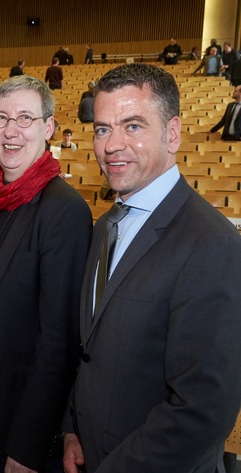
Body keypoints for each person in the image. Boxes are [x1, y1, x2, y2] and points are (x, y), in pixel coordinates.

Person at [62, 63, 241, 473]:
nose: (112, 145)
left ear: (172, 133)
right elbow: (87, 352)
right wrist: (71, 430)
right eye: (103, 129)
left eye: (133, 126)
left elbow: (202, 411)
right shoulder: (106, 224)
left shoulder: (212, 245)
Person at [0, 75, 91, 473]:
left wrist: (28, 445)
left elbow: (59, 342)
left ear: (48, 128)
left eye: (25, 118)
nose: (10, 131)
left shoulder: (64, 211)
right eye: (1, 118)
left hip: (24, 419)